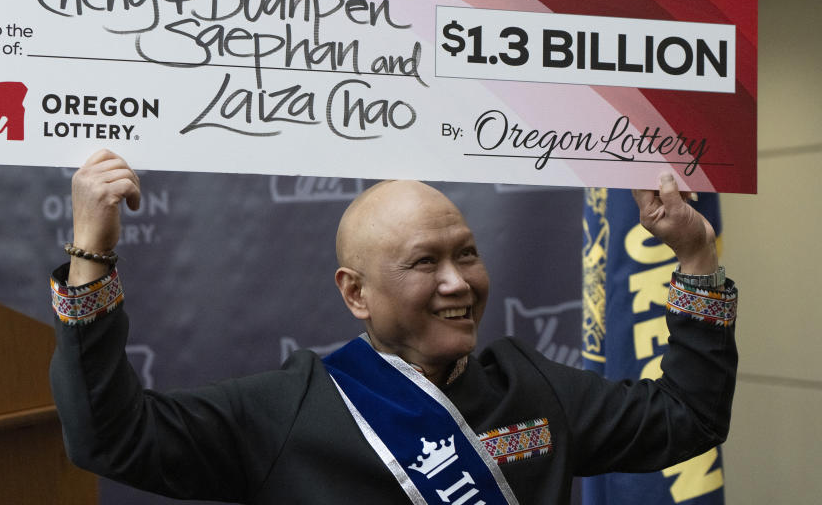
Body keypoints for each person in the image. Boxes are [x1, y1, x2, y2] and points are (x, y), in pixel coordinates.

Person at [50, 149, 737, 504]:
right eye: (422, 263)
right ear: (356, 293)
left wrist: (697, 256)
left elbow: (689, 417)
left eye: (465, 253)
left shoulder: (532, 389)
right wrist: (91, 252)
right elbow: (110, 438)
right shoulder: (285, 410)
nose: (456, 282)